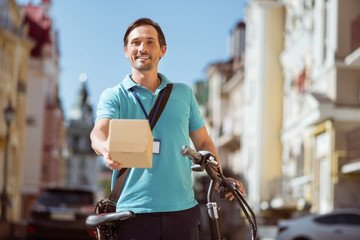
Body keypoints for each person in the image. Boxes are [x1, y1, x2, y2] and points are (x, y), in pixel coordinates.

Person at [90, 18, 245, 240]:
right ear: (126, 51)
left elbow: (203, 143)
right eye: (135, 43)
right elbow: (98, 132)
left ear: (162, 50)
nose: (142, 48)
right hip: (133, 213)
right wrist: (106, 149)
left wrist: (220, 177)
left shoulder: (183, 94)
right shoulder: (115, 95)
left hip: (182, 213)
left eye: (150, 42)